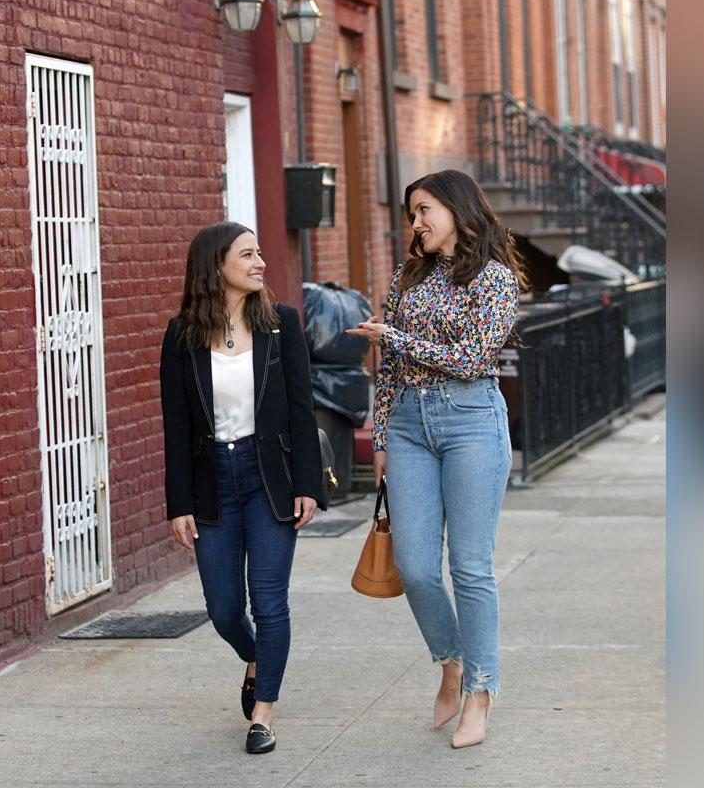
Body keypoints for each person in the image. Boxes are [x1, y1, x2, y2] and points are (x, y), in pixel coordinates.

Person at [346, 170, 524, 749]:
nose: (416, 224)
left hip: (471, 420)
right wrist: (379, 439)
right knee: (417, 565)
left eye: (424, 211)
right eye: (412, 215)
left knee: (470, 566)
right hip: (409, 428)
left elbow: (473, 359)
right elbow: (390, 369)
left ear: (455, 208)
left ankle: (481, 688)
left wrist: (390, 337)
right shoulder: (407, 277)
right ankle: (450, 662)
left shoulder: (494, 279)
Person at [159, 221, 325, 755]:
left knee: (270, 600)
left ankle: (263, 713)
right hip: (213, 483)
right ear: (216, 265)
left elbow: (302, 410)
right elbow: (177, 428)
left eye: (259, 253)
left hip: (267, 476)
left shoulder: (282, 325)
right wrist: (178, 503)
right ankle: (257, 656)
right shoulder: (181, 335)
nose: (260, 263)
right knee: (224, 608)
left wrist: (308, 484)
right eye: (247, 254)